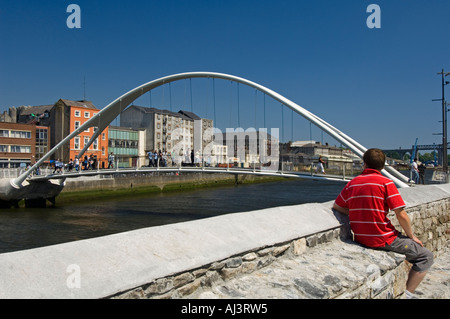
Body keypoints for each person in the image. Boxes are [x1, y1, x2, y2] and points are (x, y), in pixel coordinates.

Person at [332, 148, 433, 299]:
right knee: (426, 256)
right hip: (382, 239)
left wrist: (356, 212)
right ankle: (407, 294)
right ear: (383, 166)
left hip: (361, 238)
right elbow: (401, 214)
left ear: (364, 164)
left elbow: (337, 206)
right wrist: (411, 236)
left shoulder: (352, 183)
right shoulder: (386, 183)